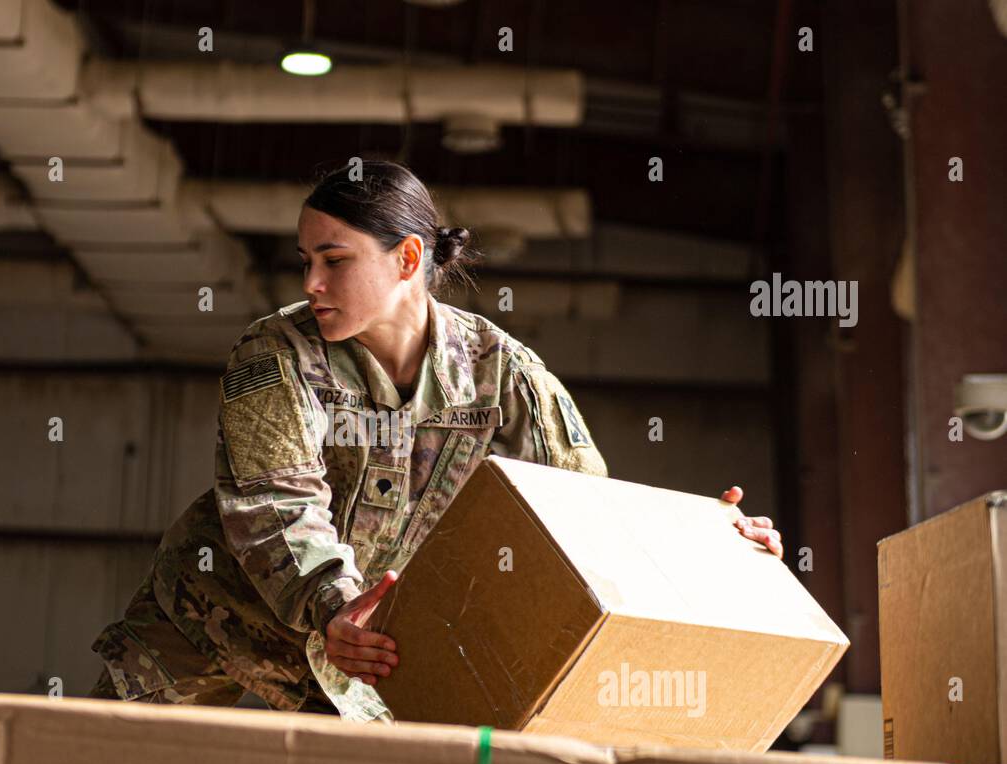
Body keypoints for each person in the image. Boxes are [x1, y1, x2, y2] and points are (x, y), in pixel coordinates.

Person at [88, 161, 782, 715]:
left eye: (334, 260)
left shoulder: (500, 371)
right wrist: (334, 607)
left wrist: (710, 541)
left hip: (362, 654)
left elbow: (583, 509)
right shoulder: (273, 356)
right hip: (213, 614)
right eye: (306, 260)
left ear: (407, 258)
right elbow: (275, 502)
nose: (312, 281)